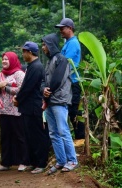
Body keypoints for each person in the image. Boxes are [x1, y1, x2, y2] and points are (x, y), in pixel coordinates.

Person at [41, 33, 78, 174]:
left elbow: (57, 80)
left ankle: (72, 160)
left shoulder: (61, 60)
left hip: (59, 101)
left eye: (45, 44)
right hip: (50, 101)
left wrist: (47, 92)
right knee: (53, 133)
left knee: (63, 131)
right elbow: (43, 80)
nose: (43, 47)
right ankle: (61, 161)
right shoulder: (49, 61)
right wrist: (43, 90)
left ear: (50, 45)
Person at [13, 41, 49, 174]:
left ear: (30, 52)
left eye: (24, 51)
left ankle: (41, 163)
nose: (22, 54)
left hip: (34, 107)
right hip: (28, 107)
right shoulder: (31, 66)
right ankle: (34, 162)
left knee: (37, 135)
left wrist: (18, 99)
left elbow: (27, 88)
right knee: (30, 136)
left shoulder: (36, 67)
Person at [0, 52, 29, 172]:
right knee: (5, 137)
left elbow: (22, 90)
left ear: (12, 60)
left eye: (7, 59)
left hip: (16, 110)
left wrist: (6, 87)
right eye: (3, 59)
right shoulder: (0, 75)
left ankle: (24, 161)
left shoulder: (19, 74)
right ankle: (5, 163)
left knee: (19, 136)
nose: (4, 61)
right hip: (3, 110)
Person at [55, 18, 84, 141]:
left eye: (62, 28)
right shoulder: (68, 43)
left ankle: (81, 137)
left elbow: (65, 63)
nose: (61, 31)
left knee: (75, 110)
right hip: (68, 82)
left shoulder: (72, 43)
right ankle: (78, 137)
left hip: (73, 81)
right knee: (71, 110)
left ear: (70, 29)